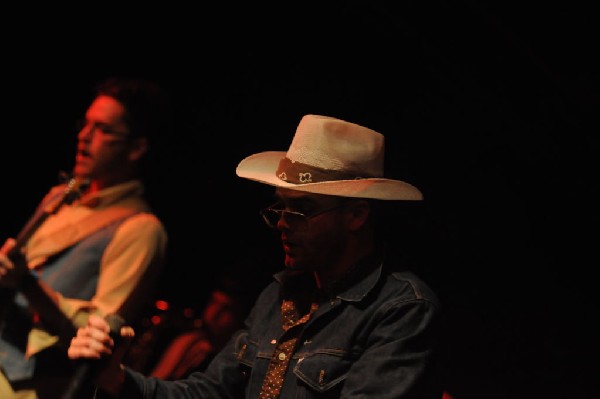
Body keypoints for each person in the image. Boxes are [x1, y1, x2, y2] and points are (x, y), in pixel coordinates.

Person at [68, 114, 443, 398]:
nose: (282, 224)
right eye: (280, 209)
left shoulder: (399, 308)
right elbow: (209, 391)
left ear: (357, 216)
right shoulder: (278, 295)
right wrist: (116, 378)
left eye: (302, 211)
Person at [0, 76, 170, 399]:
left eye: (103, 130)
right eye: (85, 124)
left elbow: (100, 334)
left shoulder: (141, 229)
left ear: (137, 148)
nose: (83, 137)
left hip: (28, 389)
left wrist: (27, 283)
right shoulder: (60, 197)